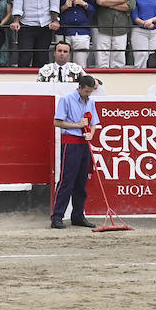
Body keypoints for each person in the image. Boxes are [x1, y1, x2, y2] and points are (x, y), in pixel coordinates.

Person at [50, 74, 100, 230]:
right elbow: (57, 122)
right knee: (67, 181)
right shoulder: (66, 99)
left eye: (90, 92)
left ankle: (78, 215)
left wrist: (91, 133)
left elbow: (94, 124)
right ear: (79, 87)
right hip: (71, 144)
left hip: (84, 143)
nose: (88, 95)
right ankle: (57, 216)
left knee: (81, 182)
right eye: (86, 91)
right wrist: (78, 125)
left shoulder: (90, 102)